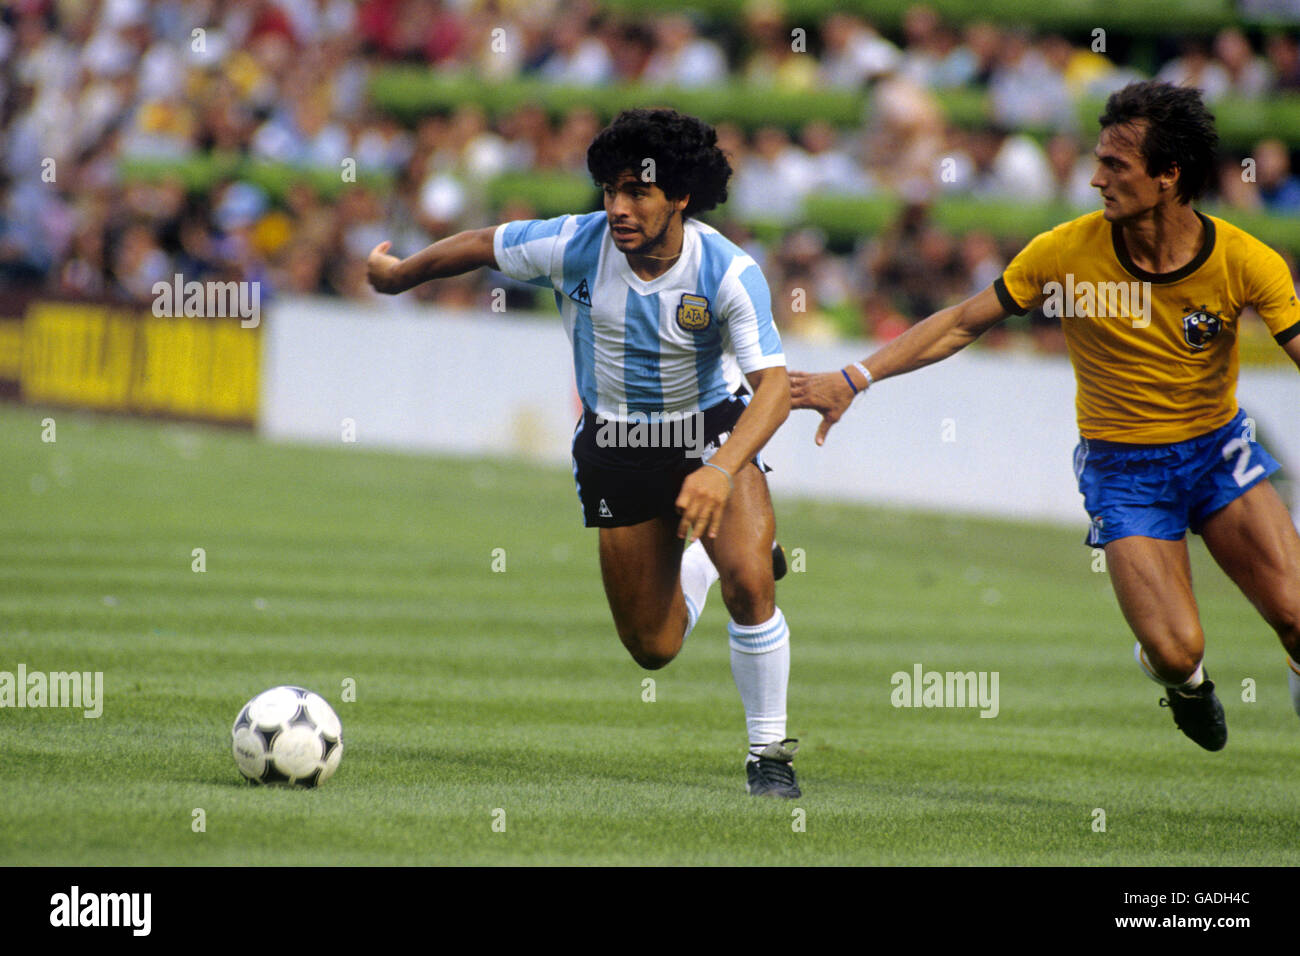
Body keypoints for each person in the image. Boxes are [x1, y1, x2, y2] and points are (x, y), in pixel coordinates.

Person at [791, 81, 1300, 752]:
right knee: (1179, 651)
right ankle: (1181, 683)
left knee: (1297, 616)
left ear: (1168, 176)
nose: (1095, 179)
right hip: (1124, 470)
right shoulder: (1064, 253)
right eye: (1098, 161)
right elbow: (962, 322)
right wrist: (855, 377)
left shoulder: (1246, 261)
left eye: (1115, 166)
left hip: (1216, 451)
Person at [367, 108, 801, 796]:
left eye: (638, 192)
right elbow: (482, 243)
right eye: (610, 190)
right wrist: (399, 277)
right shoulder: (572, 244)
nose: (619, 208)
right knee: (653, 649)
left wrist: (721, 468)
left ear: (680, 196)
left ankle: (769, 756)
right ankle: (702, 563)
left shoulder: (727, 271)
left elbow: (773, 390)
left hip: (710, 432)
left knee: (753, 583)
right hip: (616, 445)